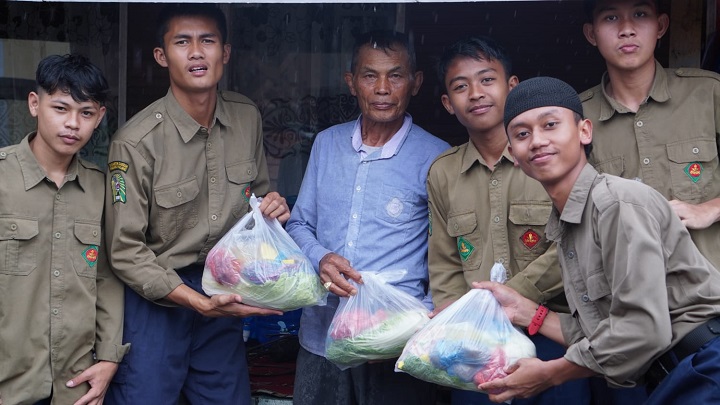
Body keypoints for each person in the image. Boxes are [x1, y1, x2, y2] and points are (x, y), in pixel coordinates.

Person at [475, 76, 720, 404]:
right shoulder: (568, 225)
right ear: (514, 155)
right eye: (522, 134)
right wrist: (526, 311)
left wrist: (550, 374)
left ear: (584, 132)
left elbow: (643, 329)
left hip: (705, 366)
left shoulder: (616, 203)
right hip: (674, 375)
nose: (536, 140)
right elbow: (603, 331)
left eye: (550, 125)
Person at [103, 4, 289, 404]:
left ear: (225, 52)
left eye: (208, 41)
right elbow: (125, 251)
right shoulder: (135, 142)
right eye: (182, 42)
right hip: (156, 299)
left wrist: (272, 208)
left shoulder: (246, 117)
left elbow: (255, 202)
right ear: (161, 56)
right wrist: (197, 302)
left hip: (224, 287)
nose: (196, 53)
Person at [286, 30, 450, 405]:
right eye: (369, 75)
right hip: (322, 337)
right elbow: (298, 224)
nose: (382, 88)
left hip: (394, 341)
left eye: (395, 75)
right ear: (351, 82)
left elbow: (446, 254)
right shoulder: (327, 144)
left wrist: (421, 319)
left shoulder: (437, 157)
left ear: (415, 82)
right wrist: (321, 258)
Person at [427, 36, 591, 405]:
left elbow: (574, 243)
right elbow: (444, 261)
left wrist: (509, 299)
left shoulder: (547, 156)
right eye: (460, 86)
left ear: (511, 86)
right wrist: (462, 323)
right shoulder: (443, 173)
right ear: (447, 103)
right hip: (476, 341)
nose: (475, 94)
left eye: (487, 80)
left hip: (554, 331)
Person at [0, 54, 128, 405]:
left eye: (86, 113)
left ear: (100, 117)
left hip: (75, 387)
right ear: (34, 104)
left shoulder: (102, 190)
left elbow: (108, 279)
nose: (73, 123)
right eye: (61, 108)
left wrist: (108, 359)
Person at [580, 0, 720, 270]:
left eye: (640, 14)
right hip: (629, 297)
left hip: (711, 293)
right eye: (610, 18)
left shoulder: (707, 94)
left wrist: (710, 209)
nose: (627, 29)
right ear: (591, 34)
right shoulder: (576, 118)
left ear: (661, 26)